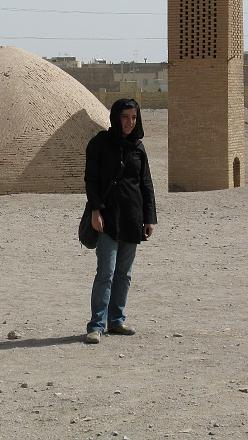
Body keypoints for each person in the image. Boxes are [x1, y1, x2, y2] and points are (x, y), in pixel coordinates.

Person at [83, 98, 157, 344]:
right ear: (116, 118)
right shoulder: (100, 144)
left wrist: (149, 218)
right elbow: (91, 181)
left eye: (133, 118)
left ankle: (116, 320)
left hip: (131, 218)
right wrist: (95, 211)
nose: (129, 122)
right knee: (106, 272)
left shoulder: (138, 147)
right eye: (125, 117)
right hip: (107, 217)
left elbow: (146, 184)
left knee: (124, 274)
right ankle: (96, 325)